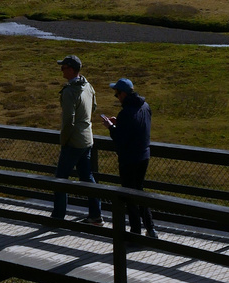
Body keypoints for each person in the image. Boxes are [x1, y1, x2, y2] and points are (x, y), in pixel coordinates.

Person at [99, 78, 156, 238]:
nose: (116, 97)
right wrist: (121, 124)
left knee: (129, 195)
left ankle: (135, 233)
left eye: (117, 94)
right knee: (139, 190)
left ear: (123, 94)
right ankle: (150, 228)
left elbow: (120, 138)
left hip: (129, 159)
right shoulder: (145, 106)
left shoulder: (125, 113)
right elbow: (137, 128)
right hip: (144, 156)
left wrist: (111, 127)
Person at [50, 55, 99, 223]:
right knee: (87, 178)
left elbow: (68, 121)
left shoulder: (70, 91)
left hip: (73, 142)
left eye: (63, 68)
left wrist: (64, 141)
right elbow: (94, 107)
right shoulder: (88, 86)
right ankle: (96, 215)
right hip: (87, 139)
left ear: (71, 69)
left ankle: (58, 217)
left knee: (61, 179)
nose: (61, 70)